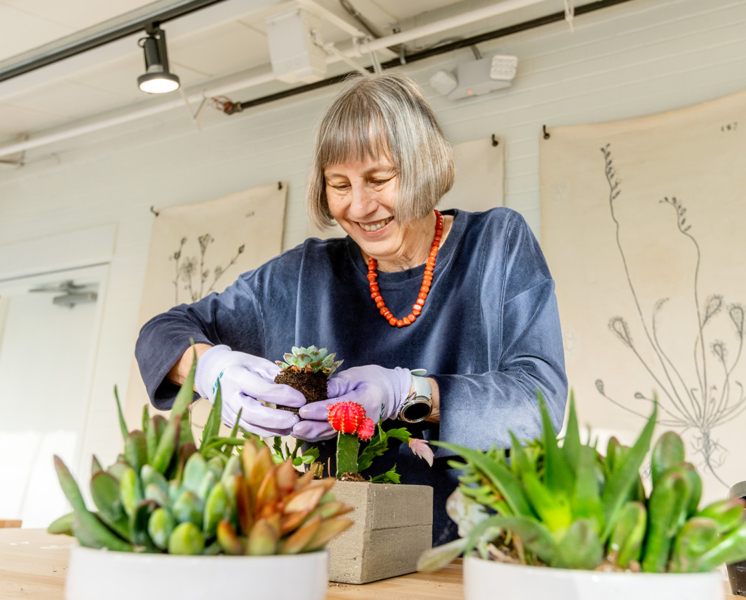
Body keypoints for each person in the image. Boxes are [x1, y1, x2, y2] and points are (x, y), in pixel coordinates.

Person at [135, 71, 568, 544]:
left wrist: (408, 392)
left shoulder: (496, 244)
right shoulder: (303, 275)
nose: (360, 208)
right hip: (336, 552)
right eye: (338, 185)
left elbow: (539, 402)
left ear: (423, 167)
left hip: (475, 551)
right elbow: (164, 330)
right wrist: (209, 368)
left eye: (379, 179)